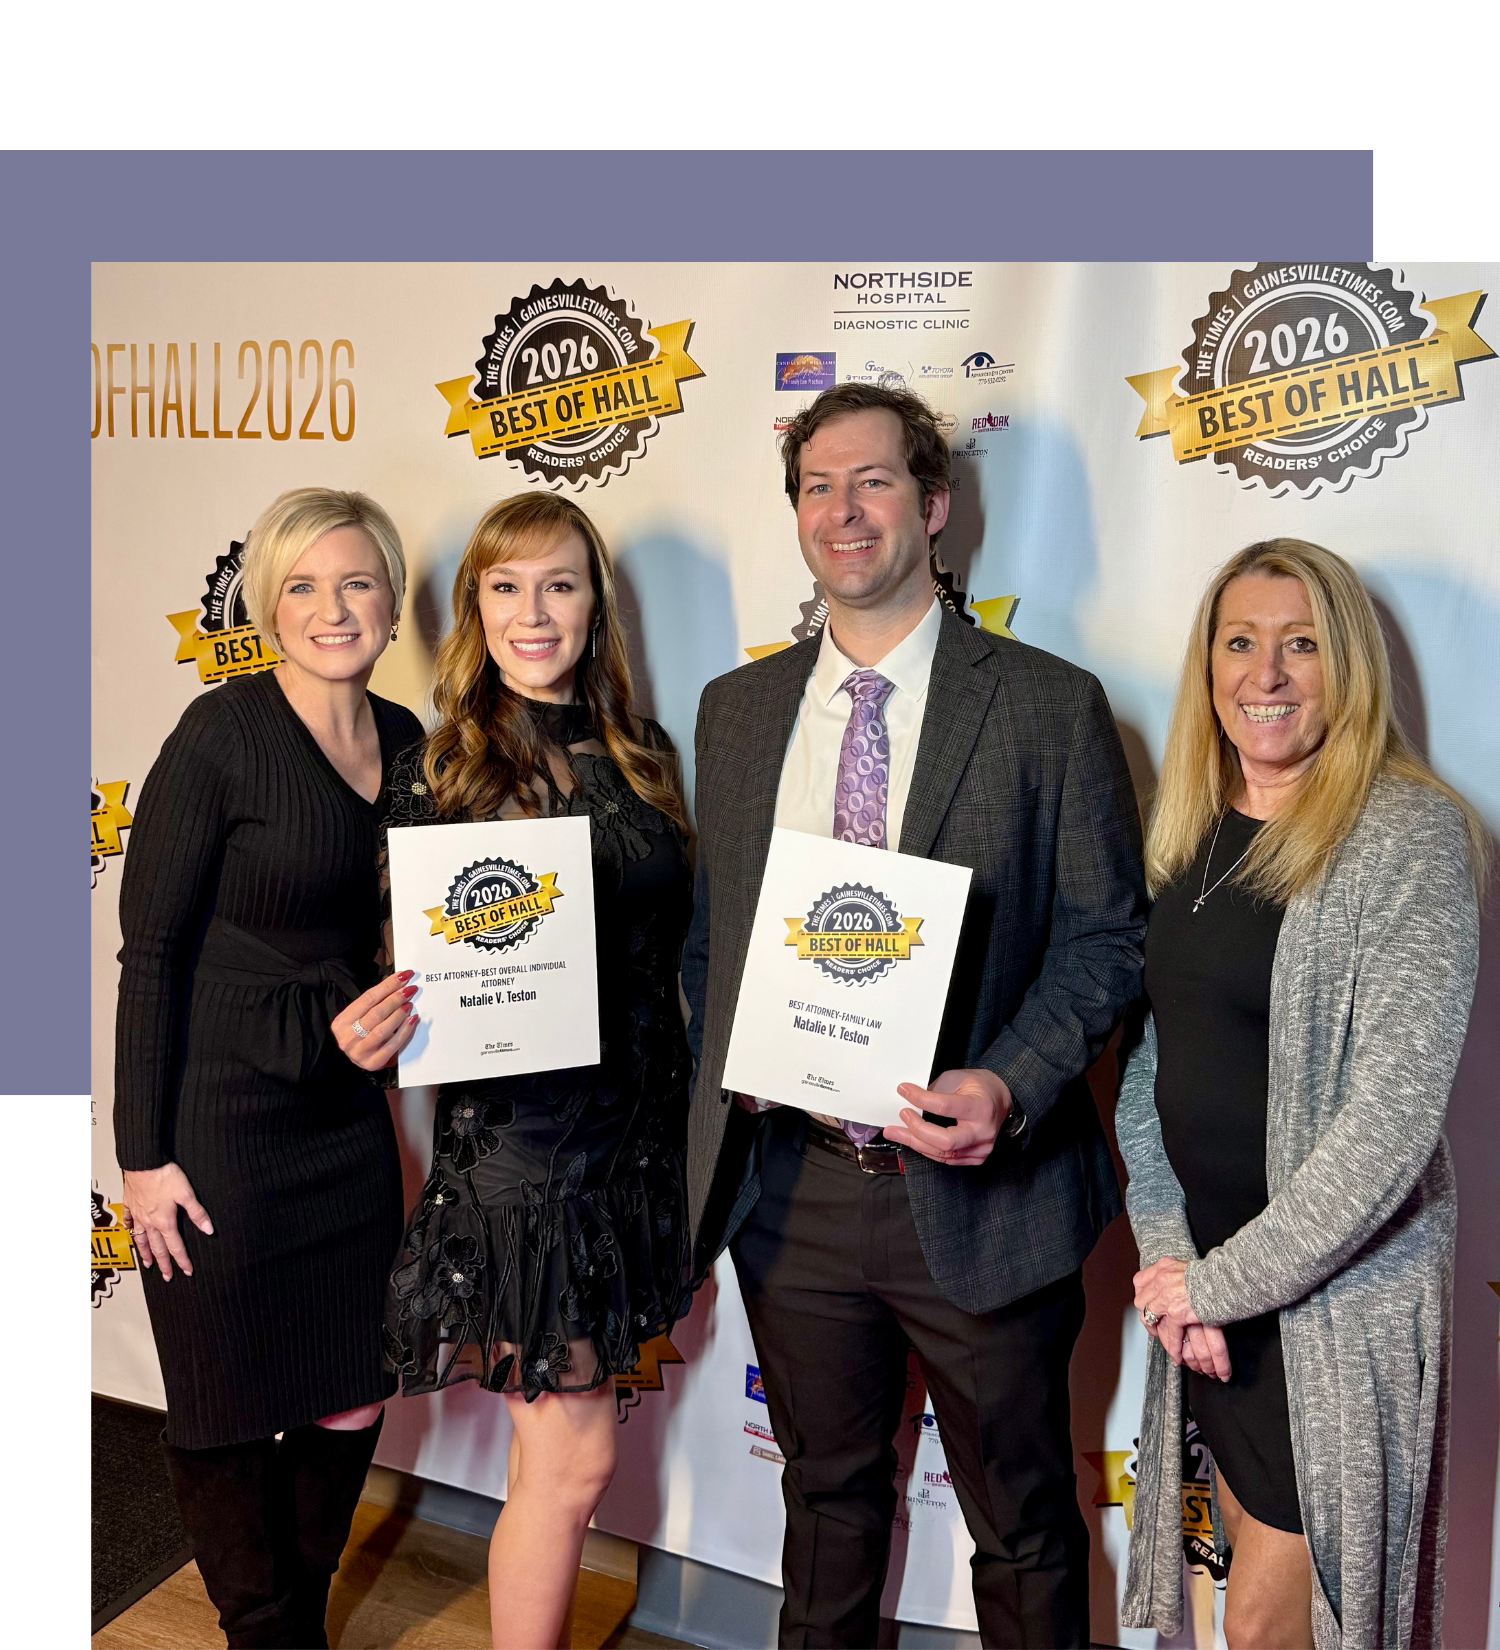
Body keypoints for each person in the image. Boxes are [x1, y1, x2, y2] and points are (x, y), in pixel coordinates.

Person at [682, 381, 1147, 1649]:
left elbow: (1108, 940)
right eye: (818, 486)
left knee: (1025, 1527)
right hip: (797, 1190)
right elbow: (707, 949)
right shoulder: (736, 714)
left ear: (934, 507)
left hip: (985, 1193)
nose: (845, 510)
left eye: (874, 481)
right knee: (827, 1512)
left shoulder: (1049, 706)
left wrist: (1008, 1082)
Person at [1116, 539, 1486, 1650]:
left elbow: (1393, 1123)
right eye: (1240, 642)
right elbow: (1150, 1068)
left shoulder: (1409, 836)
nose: (1264, 674)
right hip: (1212, 1304)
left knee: (1283, 1626)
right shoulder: (1184, 828)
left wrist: (1220, 1288)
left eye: (1301, 644)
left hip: (1330, 1310)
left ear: (1349, 667)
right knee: (1240, 1605)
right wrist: (1174, 1261)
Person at [379, 493, 693, 1650]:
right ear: (474, 607)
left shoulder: (637, 754)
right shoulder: (442, 767)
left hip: (636, 1139)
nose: (534, 611)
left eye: (559, 584)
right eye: (506, 587)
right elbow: (411, 963)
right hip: (523, 1153)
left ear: (593, 605)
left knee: (559, 1460)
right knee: (570, 1460)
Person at [115, 487, 425, 1649]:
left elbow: (424, 927)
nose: (331, 608)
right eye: (302, 584)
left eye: (356, 582)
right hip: (221, 1122)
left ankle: (295, 1610)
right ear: (266, 605)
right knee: (229, 1402)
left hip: (343, 1116)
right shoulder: (220, 733)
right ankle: (268, 1630)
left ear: (393, 600)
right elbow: (149, 957)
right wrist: (143, 1159)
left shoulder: (405, 742)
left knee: (352, 1386)